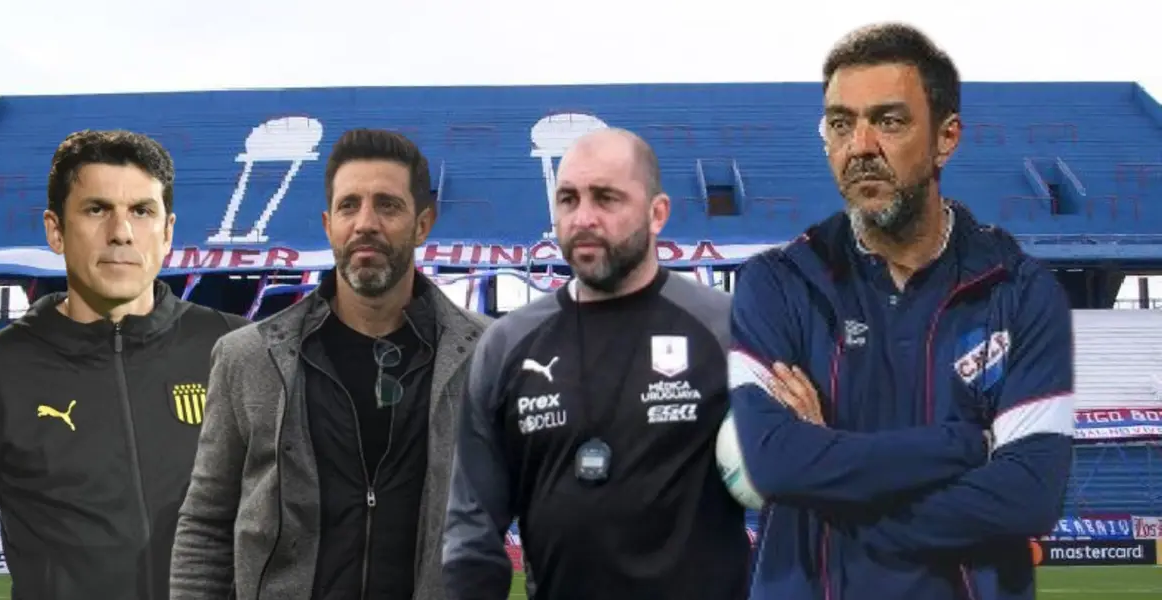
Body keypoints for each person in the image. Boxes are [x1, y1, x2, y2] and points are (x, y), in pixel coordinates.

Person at [728, 23, 1074, 600]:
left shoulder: (1021, 291)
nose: (860, 146)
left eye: (888, 121)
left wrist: (828, 474)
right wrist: (964, 445)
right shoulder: (777, 283)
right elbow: (774, 466)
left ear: (946, 138)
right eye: (841, 123)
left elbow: (1028, 495)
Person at [169, 129, 492, 600]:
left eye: (387, 205)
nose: (365, 223)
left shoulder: (488, 354)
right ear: (328, 224)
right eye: (349, 206)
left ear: (423, 224)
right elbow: (205, 523)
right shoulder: (248, 357)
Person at [443, 128, 750, 600]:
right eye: (568, 199)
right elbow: (471, 527)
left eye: (606, 198)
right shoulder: (507, 346)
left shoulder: (727, 331)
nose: (583, 218)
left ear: (657, 213)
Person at [0, 130, 249, 600]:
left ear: (168, 231)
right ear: (55, 230)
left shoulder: (237, 349)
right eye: (97, 210)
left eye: (142, 211)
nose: (121, 232)